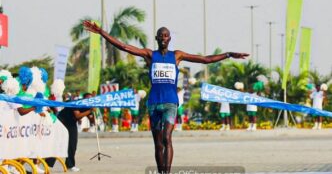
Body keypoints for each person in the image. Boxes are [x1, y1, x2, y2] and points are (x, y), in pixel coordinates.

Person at [83, 21, 248, 173]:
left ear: (170, 39)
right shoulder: (149, 55)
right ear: (156, 38)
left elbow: (205, 60)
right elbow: (124, 47)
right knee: (157, 143)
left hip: (170, 103)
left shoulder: (177, 55)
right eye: (161, 35)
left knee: (167, 138)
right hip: (154, 103)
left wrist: (228, 54)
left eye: (166, 35)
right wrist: (101, 32)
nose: (163, 38)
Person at [57, 93, 93, 172]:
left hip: (71, 123)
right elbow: (78, 116)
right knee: (57, 143)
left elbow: (91, 120)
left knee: (72, 144)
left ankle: (70, 165)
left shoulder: (89, 107)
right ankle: (47, 161)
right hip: (62, 121)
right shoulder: (76, 103)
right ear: (83, 99)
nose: (89, 101)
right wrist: (90, 111)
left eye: (91, 99)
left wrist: (92, 114)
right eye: (88, 99)